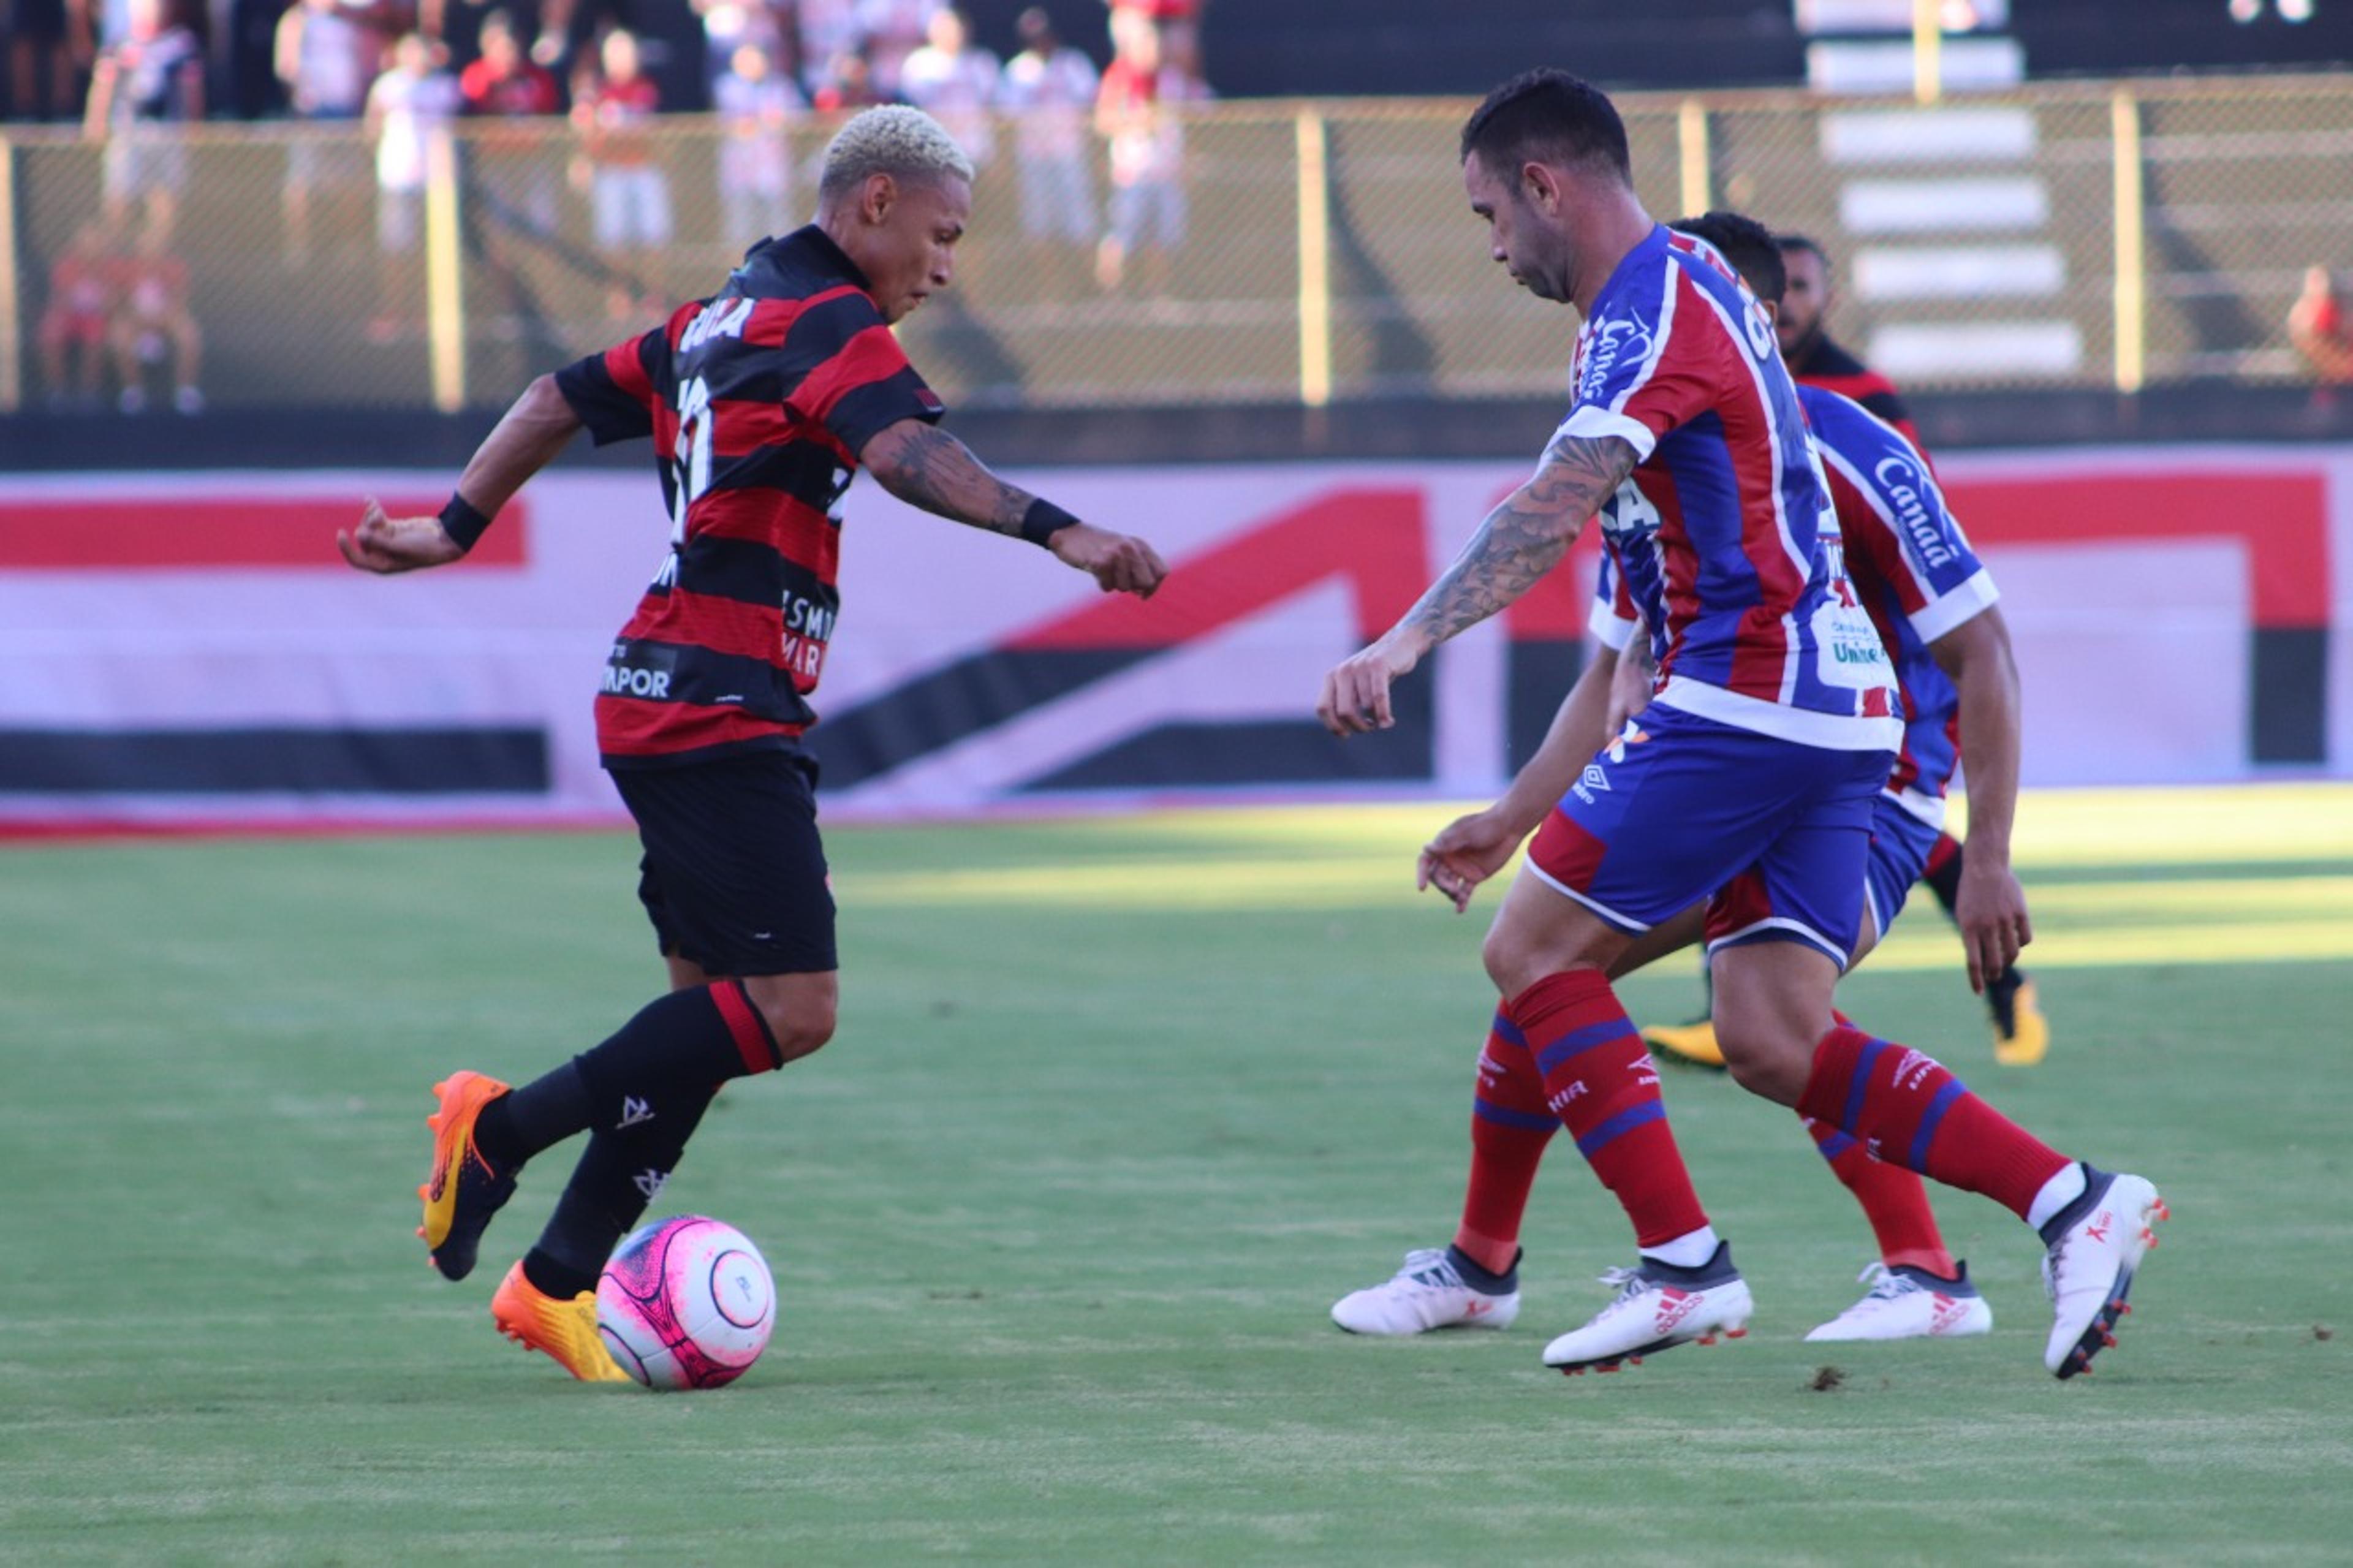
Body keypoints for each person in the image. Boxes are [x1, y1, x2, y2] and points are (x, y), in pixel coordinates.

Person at [1317, 70, 2161, 1381]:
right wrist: (1513, 809)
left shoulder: (1653, 304)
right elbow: (1616, 636)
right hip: (1826, 715)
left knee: (1534, 947)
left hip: (1748, 692)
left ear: (1547, 186)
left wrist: (1404, 636)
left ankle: (1681, 1264)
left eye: (1490, 212)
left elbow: (1553, 502)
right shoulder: (1671, 316)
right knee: (1768, 1029)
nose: (1491, 246)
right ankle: (2074, 1201)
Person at [338, 105, 1169, 1382]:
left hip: (672, 687)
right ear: (873, 202)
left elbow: (551, 397)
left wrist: (456, 524)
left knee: (707, 1016)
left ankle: (558, 1280)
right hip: (714, 701)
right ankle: (498, 1126)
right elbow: (905, 453)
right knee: (793, 1009)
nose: (947, 268)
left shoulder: (715, 317)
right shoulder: (820, 318)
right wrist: (1060, 530)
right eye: (941, 235)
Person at [1643, 229, 2050, 1072]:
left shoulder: (1857, 406)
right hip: (1774, 694)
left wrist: (1994, 858)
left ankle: (2008, 987)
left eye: (1799, 287)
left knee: (1880, 852)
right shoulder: (1679, 429)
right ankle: (1728, 1006)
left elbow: (1929, 557)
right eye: (1777, 287)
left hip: (1873, 695)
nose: (1787, 304)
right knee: (1568, 953)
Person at [364, 31, 463, 341]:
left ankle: (429, 315)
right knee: (396, 249)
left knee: (432, 252)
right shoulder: (389, 85)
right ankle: (394, 311)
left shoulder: (445, 86)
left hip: (437, 185)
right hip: (398, 178)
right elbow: (372, 125)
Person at [1093, 8, 1195, 294]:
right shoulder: (1120, 79)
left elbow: (1189, 123)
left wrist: (1186, 161)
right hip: (1132, 172)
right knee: (1121, 237)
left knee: (1162, 240)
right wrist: (1135, 122)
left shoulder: (1173, 80)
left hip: (1167, 170)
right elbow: (1103, 122)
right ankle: (1112, 294)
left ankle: (1158, 294)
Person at [83, 0, 203, 240]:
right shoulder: (119, 44)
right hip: (127, 132)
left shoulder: (181, 43)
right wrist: (95, 122)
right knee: (119, 197)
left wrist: (194, 126)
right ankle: (116, 254)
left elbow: (192, 89)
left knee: (164, 198)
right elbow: (103, 86)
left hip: (167, 133)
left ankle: (156, 255)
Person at [572, 26, 670, 319]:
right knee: (614, 239)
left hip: (642, 168)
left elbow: (657, 133)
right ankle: (620, 296)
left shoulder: (646, 88)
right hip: (612, 173)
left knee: (653, 236)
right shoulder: (599, 93)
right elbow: (586, 134)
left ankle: (654, 294)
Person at [276, 0, 379, 264]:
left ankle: (349, 245)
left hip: (345, 113)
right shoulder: (298, 19)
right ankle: (299, 247)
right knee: (303, 180)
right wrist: (302, 99)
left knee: (348, 181)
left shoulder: (350, 21)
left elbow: (362, 64)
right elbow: (286, 66)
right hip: (311, 113)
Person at [998, 6, 1098, 261]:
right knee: (1039, 227)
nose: (1040, 42)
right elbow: (1007, 121)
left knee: (1080, 224)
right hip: (1034, 156)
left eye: (1043, 35)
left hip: (1069, 152)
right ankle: (1049, 294)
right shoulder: (1017, 71)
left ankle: (1087, 288)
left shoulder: (1073, 64)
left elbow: (1091, 107)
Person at [713, 39, 806, 255]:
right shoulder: (727, 88)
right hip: (739, 173)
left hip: (774, 172)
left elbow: (800, 121)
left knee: (779, 230)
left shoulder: (782, 87)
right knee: (741, 232)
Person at [108, 213, 202, 413]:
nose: (150, 249)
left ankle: (186, 390)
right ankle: (133, 390)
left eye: (155, 244)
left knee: (189, 336)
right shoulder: (126, 269)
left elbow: (180, 301)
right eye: (146, 244)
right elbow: (118, 302)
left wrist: (160, 319)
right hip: (135, 319)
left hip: (166, 317)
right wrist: (139, 319)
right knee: (120, 335)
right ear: (138, 247)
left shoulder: (174, 267)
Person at [896, 6, 998, 173]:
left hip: (973, 143)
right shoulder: (919, 63)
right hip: (934, 145)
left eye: (955, 28)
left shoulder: (982, 62)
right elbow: (912, 104)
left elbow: (991, 103)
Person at [38, 219, 121, 409]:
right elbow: (60, 299)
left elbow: (114, 302)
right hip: (70, 316)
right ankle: (57, 391)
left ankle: (89, 392)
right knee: (51, 333)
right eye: (85, 243)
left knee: (94, 338)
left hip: (97, 318)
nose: (90, 247)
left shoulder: (109, 267)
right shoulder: (67, 266)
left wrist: (100, 304)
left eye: (94, 243)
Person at [2288, 265, 2353, 389]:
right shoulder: (2303, 310)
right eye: (2314, 281)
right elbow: (2308, 341)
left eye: (2320, 280)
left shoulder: (2335, 308)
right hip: (2325, 367)